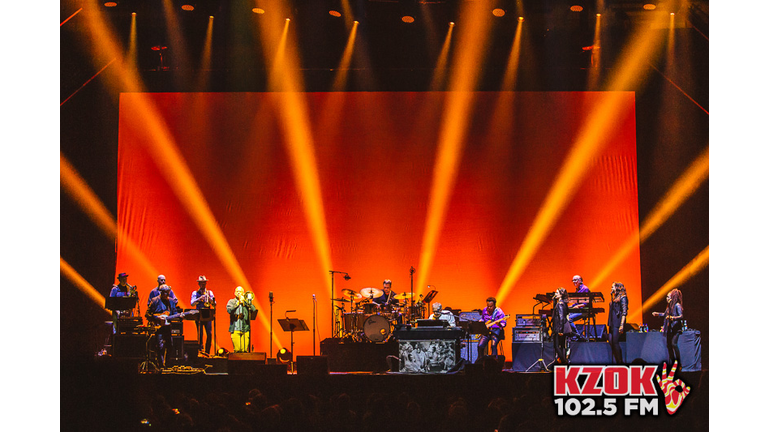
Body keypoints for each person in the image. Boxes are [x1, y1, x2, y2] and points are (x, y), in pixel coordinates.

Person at [145, 285, 179, 368]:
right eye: (165, 293)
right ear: (161, 292)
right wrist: (157, 317)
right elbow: (147, 314)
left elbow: (174, 312)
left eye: (168, 293)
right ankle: (160, 365)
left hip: (167, 326)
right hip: (158, 326)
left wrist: (178, 316)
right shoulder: (155, 300)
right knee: (160, 346)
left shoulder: (171, 301)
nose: (166, 295)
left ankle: (167, 364)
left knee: (170, 345)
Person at [652, 288, 684, 365]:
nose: (667, 298)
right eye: (666, 297)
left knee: (674, 344)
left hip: (676, 328)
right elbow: (665, 315)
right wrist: (658, 314)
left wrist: (672, 318)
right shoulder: (669, 306)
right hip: (670, 328)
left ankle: (679, 363)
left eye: (668, 297)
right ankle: (673, 363)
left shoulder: (677, 305)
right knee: (669, 345)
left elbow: (681, 316)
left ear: (673, 297)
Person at [190, 275, 216, 356]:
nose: (203, 285)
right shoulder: (195, 293)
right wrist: (199, 298)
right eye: (201, 283)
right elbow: (192, 303)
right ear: (199, 284)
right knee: (200, 334)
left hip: (207, 314)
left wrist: (209, 298)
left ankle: (207, 351)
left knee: (209, 333)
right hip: (199, 315)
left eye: (204, 283)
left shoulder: (209, 292)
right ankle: (200, 350)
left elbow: (215, 303)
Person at [226, 286, 257, 353]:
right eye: (237, 291)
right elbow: (229, 310)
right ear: (234, 293)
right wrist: (238, 303)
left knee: (244, 351)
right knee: (237, 351)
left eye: (240, 291)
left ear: (243, 293)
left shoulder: (246, 302)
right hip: (235, 329)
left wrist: (247, 302)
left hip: (245, 329)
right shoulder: (231, 301)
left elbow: (254, 310)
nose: (239, 293)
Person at [607, 282, 628, 364]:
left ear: (617, 288)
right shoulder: (614, 297)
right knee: (611, 341)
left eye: (612, 287)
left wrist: (622, 325)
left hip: (617, 323)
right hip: (612, 322)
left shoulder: (623, 298)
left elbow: (624, 312)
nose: (611, 289)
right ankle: (617, 360)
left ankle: (620, 362)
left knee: (615, 342)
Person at [551, 287, 572, 365]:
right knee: (562, 346)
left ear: (560, 295)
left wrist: (560, 330)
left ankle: (564, 362)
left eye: (557, 293)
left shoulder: (560, 304)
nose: (555, 294)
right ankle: (563, 362)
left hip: (559, 328)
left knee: (556, 346)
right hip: (561, 328)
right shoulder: (563, 303)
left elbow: (561, 318)